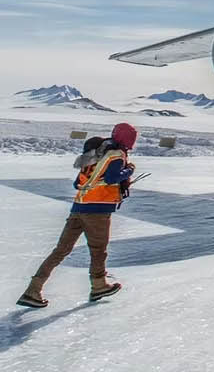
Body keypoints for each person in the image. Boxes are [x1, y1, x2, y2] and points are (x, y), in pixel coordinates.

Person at [17, 122, 138, 308]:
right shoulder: (116, 155)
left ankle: (33, 289)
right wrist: (129, 169)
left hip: (79, 206)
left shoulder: (96, 154)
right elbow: (111, 178)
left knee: (61, 250)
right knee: (98, 250)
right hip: (98, 210)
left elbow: (77, 183)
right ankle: (99, 285)